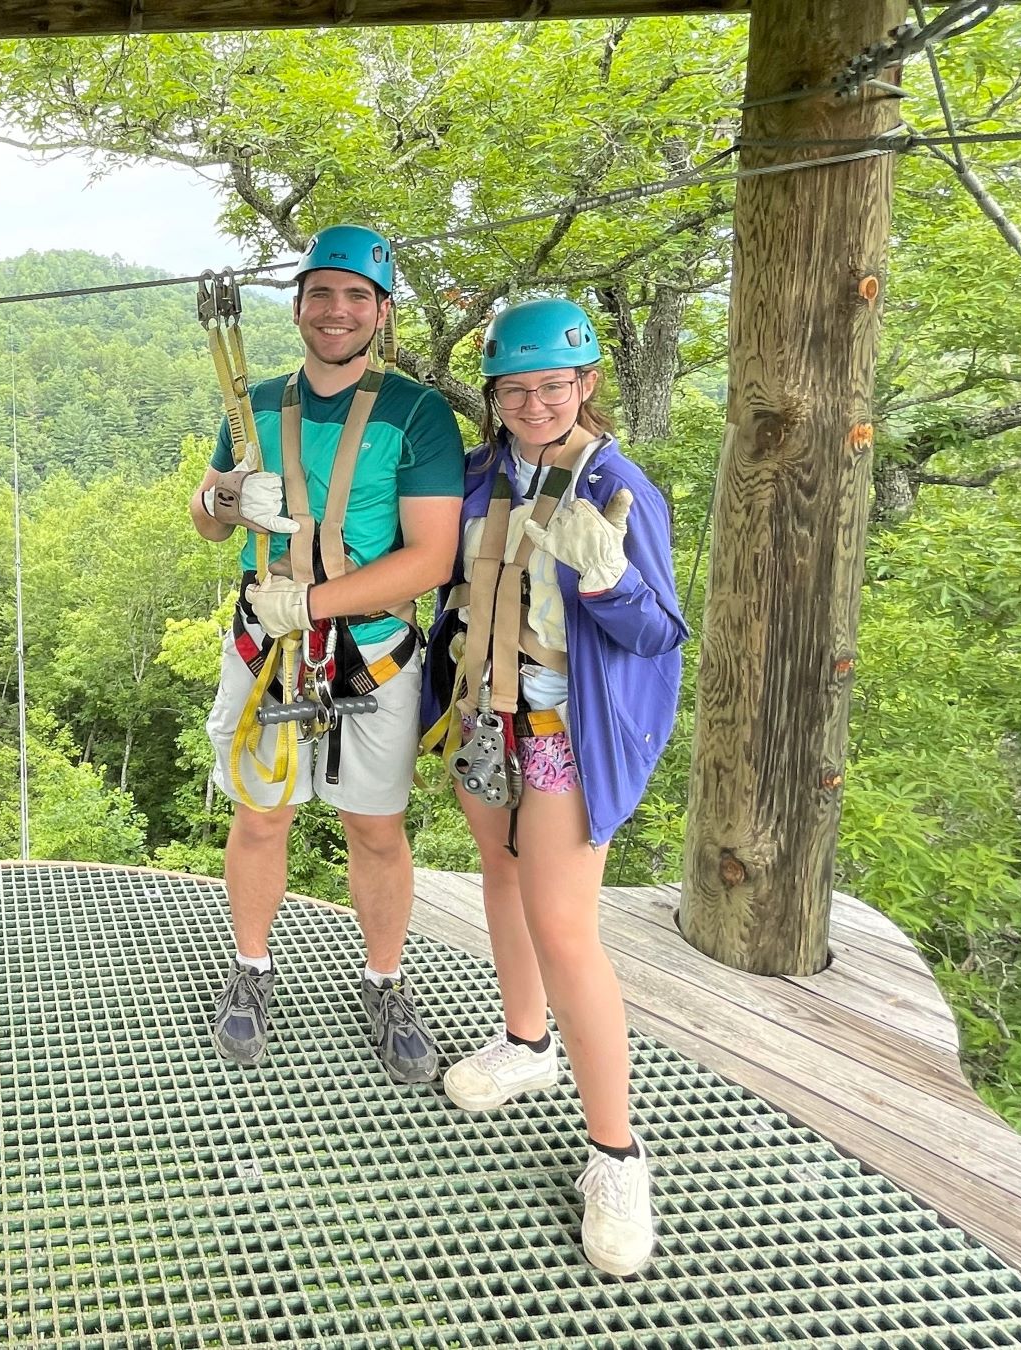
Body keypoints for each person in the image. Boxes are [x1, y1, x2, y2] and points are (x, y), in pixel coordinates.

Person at [415, 295, 686, 1277]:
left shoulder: (618, 488)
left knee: (566, 926)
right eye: (515, 388)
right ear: (493, 396)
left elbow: (660, 634)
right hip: (486, 711)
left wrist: (610, 580)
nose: (533, 403)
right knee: (498, 875)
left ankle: (618, 1156)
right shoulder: (484, 475)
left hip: (565, 730)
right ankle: (526, 1043)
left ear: (586, 385)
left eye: (552, 385)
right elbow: (430, 566)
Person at [190, 224, 465, 1086]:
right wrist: (233, 496)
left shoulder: (417, 414)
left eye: (356, 297)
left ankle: (385, 981)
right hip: (264, 644)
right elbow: (203, 518)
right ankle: (251, 967)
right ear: (299, 306)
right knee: (260, 816)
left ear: (382, 313)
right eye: (321, 294)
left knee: (375, 829)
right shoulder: (255, 405)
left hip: (370, 648)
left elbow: (431, 557)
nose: (336, 311)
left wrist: (309, 601)